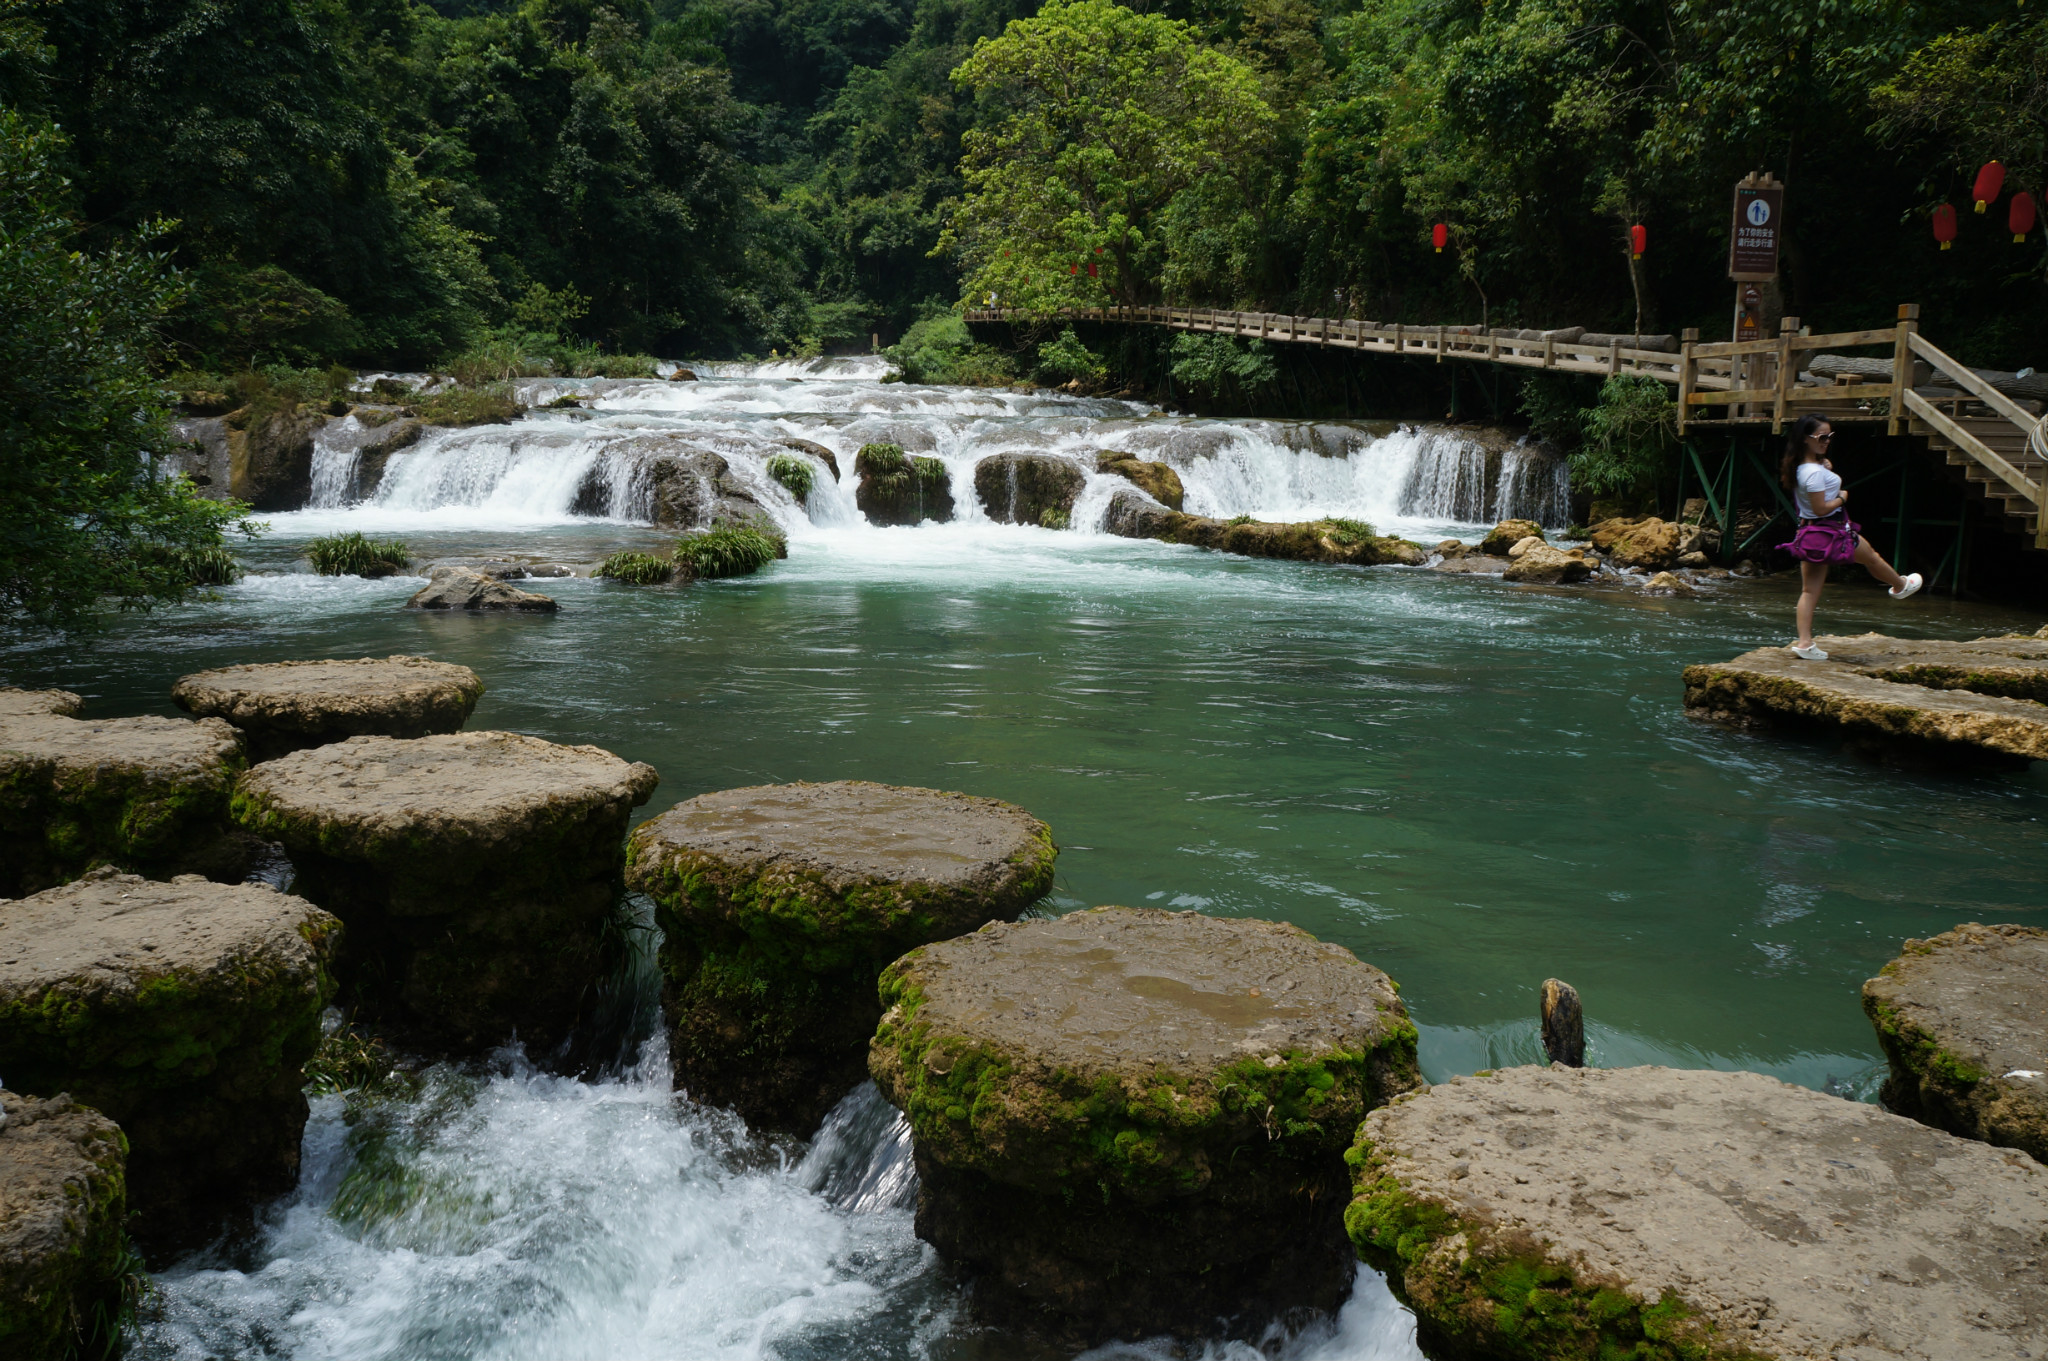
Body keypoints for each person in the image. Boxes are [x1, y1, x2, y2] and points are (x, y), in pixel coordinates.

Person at [1777, 414, 1922, 660]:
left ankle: (1804, 643)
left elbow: (1815, 485)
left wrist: (1825, 466)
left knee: (1809, 591)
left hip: (1811, 533)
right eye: (1822, 437)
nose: (1827, 441)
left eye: (1830, 436)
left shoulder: (1801, 467)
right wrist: (1843, 497)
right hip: (1830, 530)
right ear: (1805, 439)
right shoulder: (1813, 473)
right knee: (1872, 558)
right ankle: (1900, 585)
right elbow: (1822, 507)